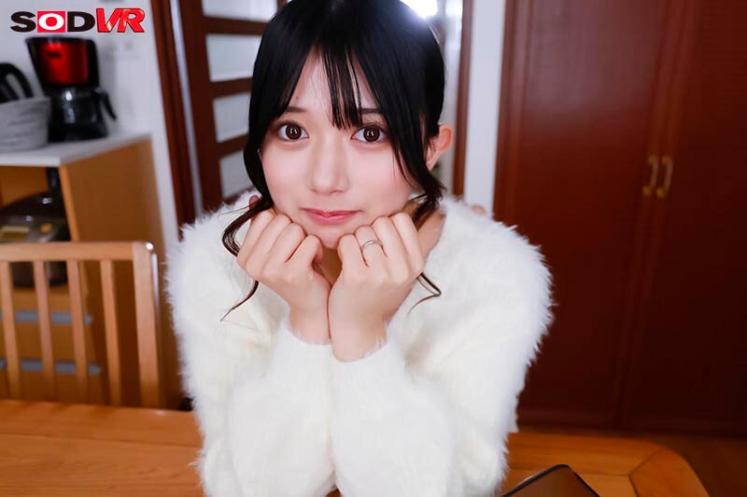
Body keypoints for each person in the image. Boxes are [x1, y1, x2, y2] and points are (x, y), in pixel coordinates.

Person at [165, 1, 555, 496]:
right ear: (260, 141)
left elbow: (454, 487)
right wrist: (307, 326)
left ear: (431, 148)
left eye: (370, 133)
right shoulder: (215, 261)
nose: (326, 179)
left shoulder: (495, 275)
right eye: (292, 131)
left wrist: (362, 336)